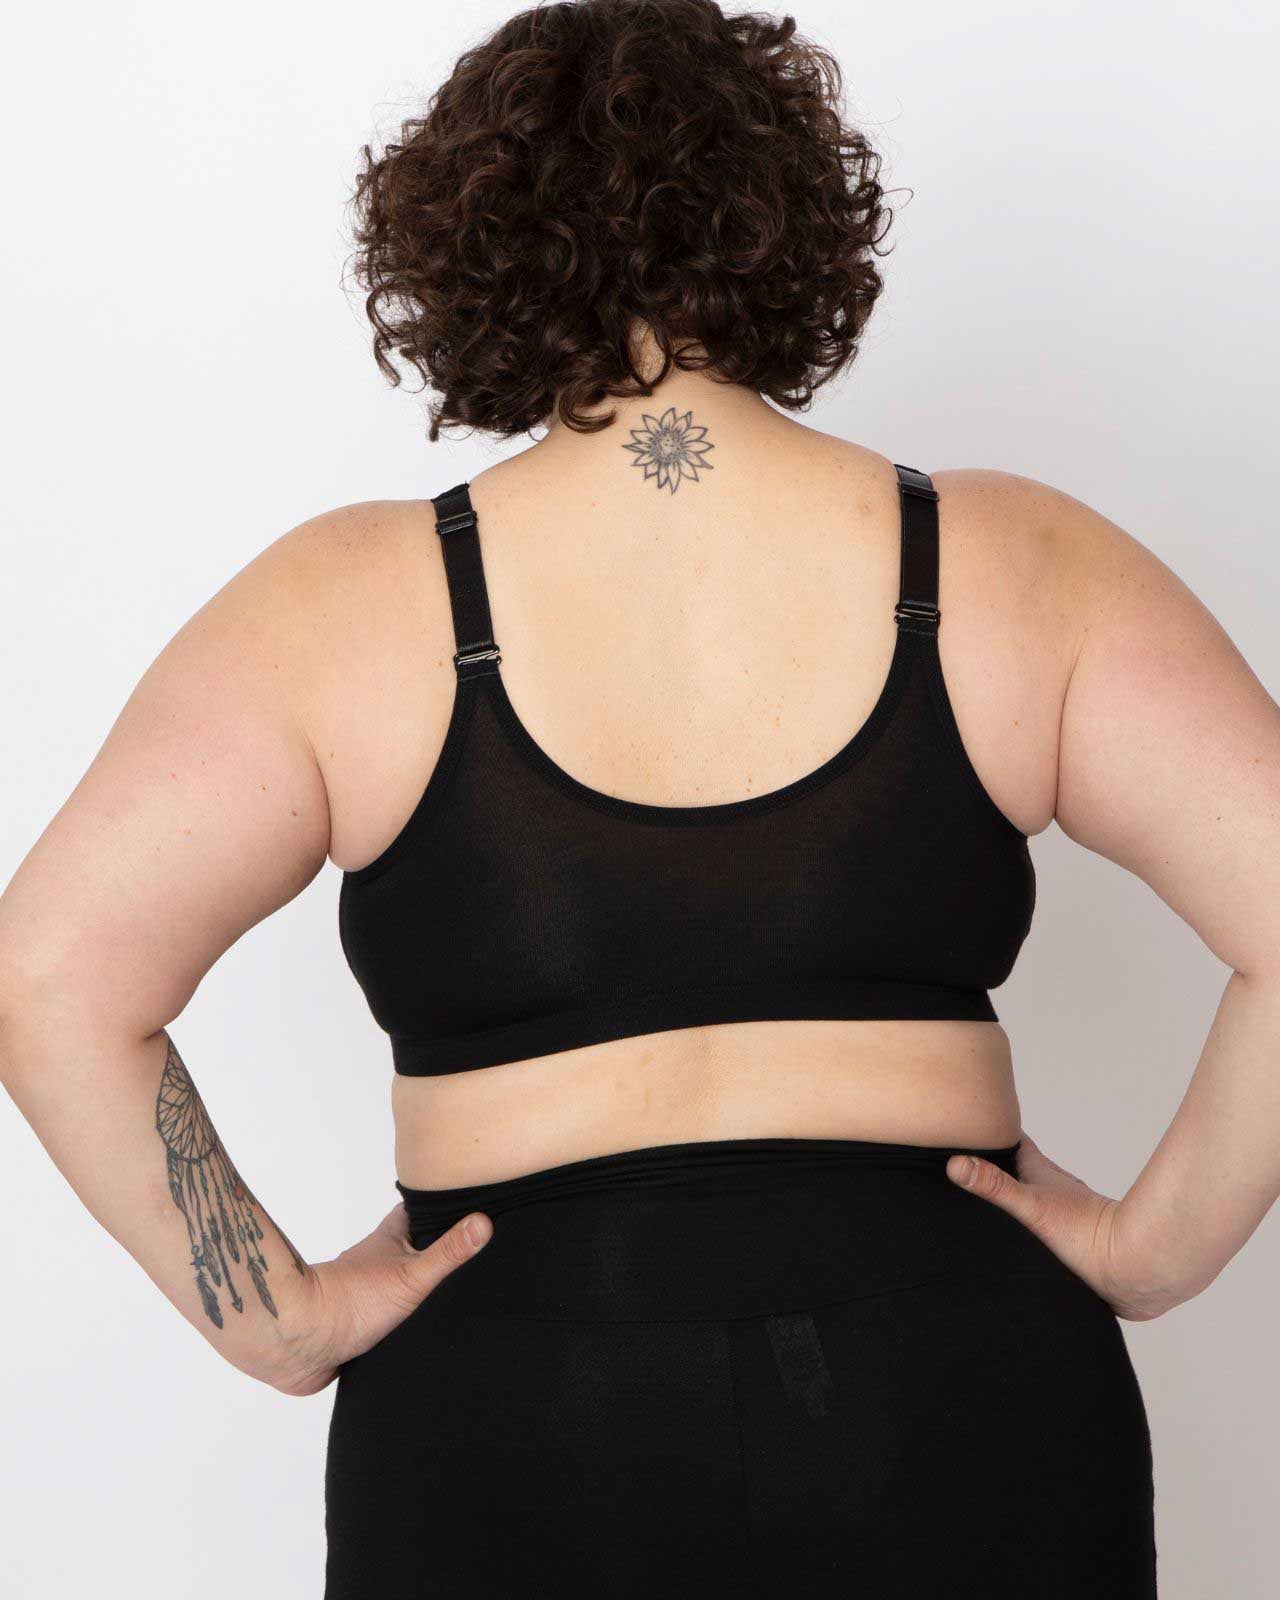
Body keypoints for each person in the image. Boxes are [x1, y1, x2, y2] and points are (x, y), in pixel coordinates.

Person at [1, 0, 1277, 1594]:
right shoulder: (1012, 560)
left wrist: (283, 1321)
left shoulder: (339, 608)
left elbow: (51, 976)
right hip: (953, 1387)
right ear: (787, 218)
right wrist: (1151, 1251)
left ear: (471, 245)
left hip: (515, 1403)